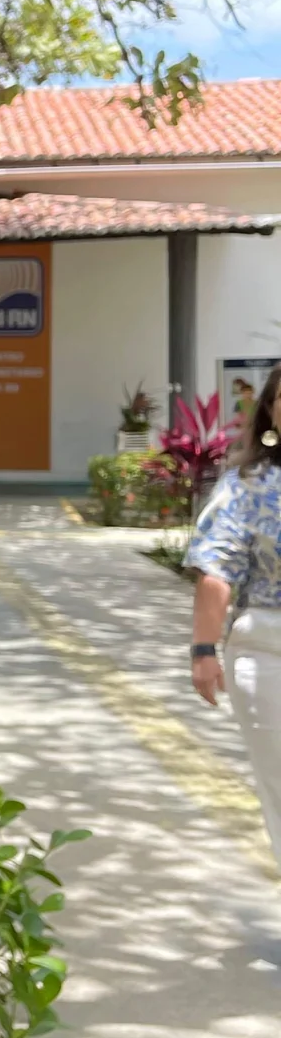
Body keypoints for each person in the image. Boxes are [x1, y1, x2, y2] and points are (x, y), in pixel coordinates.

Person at [188, 359, 281, 863]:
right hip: (270, 652)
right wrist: (204, 649)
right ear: (270, 413)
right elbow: (216, 571)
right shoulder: (247, 487)